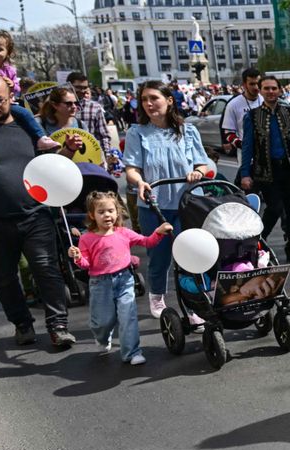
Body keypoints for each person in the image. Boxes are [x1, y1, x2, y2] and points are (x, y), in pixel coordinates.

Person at [0, 74, 81, 347]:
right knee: (3, 278)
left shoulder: (28, 127)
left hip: (35, 214)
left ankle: (58, 326)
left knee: (46, 268)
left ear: (10, 98)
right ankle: (22, 323)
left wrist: (69, 151)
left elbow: (51, 166)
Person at [122, 80, 210, 326]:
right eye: (144, 100)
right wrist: (139, 182)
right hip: (154, 205)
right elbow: (131, 167)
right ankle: (157, 297)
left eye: (154, 98)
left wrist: (199, 173)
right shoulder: (137, 132)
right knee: (159, 257)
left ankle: (193, 303)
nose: (149, 104)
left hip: (186, 204)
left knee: (189, 257)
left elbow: (202, 163)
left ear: (169, 100)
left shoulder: (187, 131)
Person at [67, 191, 172, 365]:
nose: (107, 215)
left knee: (128, 316)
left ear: (117, 212)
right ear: (92, 215)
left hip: (124, 280)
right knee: (102, 321)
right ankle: (102, 338)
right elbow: (86, 265)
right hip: (100, 284)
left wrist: (159, 232)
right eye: (101, 212)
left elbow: (147, 242)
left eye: (110, 211)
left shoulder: (124, 232)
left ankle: (132, 352)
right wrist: (78, 257)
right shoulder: (87, 238)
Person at [239, 75, 290, 264]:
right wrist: (245, 173)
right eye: (266, 88)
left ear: (279, 90)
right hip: (266, 171)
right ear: (260, 91)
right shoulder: (252, 116)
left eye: (274, 88)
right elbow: (247, 147)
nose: (270, 92)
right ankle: (258, 242)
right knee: (274, 208)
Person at [0, 29, 58, 151]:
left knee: (25, 113)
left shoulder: (10, 70)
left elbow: (18, 88)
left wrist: (12, 85)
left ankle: (41, 138)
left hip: (7, 104)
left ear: (8, 53)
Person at [67, 72, 114, 168]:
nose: (83, 90)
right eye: (79, 87)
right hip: (67, 159)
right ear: (69, 86)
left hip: (91, 160)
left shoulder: (95, 107)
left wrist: (107, 157)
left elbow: (104, 136)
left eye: (85, 87)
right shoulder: (59, 107)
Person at [220, 67, 262, 156]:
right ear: (244, 85)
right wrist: (242, 144)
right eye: (252, 84)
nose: (256, 87)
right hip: (246, 155)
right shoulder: (233, 105)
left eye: (258, 83)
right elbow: (228, 133)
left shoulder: (265, 100)